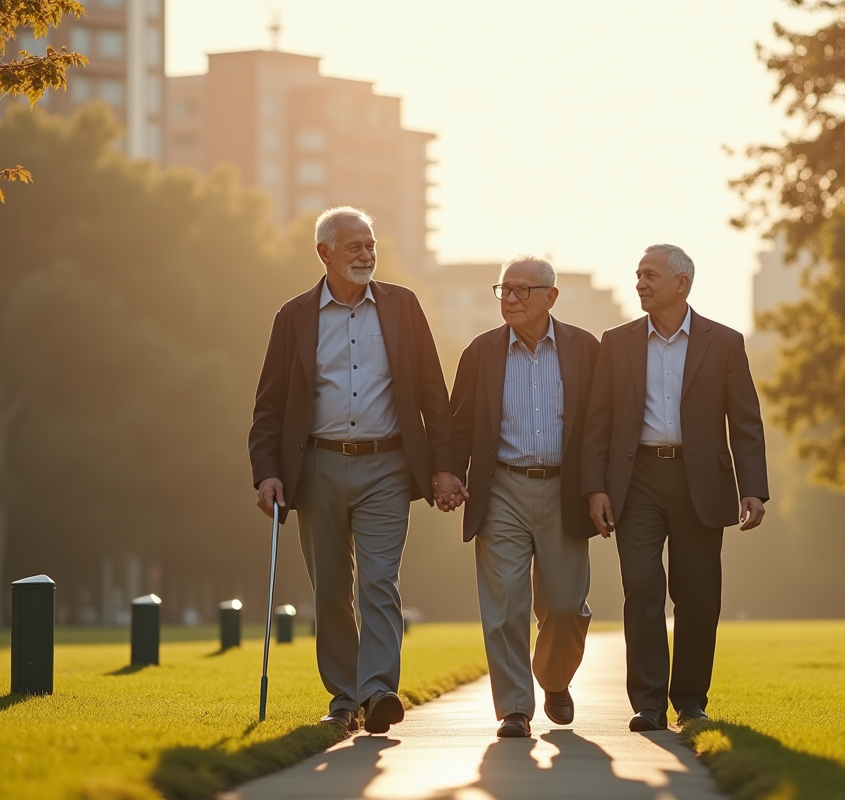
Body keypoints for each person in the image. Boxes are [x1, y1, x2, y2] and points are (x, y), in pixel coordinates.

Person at [248, 207, 467, 735]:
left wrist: (444, 467)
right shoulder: (294, 316)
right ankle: (344, 697)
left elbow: (433, 393)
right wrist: (266, 472)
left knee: (379, 582)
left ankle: (377, 691)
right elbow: (269, 405)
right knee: (329, 589)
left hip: (388, 467)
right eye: (354, 247)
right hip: (316, 465)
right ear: (324, 253)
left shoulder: (403, 305)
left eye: (371, 245)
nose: (367, 255)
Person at [581, 243, 768, 731]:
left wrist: (754, 488)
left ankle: (689, 700)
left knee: (698, 594)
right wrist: (594, 488)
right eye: (638, 275)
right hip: (635, 479)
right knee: (641, 586)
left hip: (700, 481)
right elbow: (597, 422)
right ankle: (647, 703)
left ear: (681, 284)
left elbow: (745, 420)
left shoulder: (724, 342)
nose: (640, 283)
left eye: (650, 276)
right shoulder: (616, 342)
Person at [449, 255, 601, 738]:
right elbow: (459, 424)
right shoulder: (481, 353)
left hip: (565, 490)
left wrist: (600, 488)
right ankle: (514, 707)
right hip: (501, 490)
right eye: (504, 290)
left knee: (564, 605)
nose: (510, 299)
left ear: (550, 297)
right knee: (505, 604)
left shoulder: (585, 349)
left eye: (521, 290)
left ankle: (554, 679)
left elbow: (601, 427)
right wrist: (449, 474)